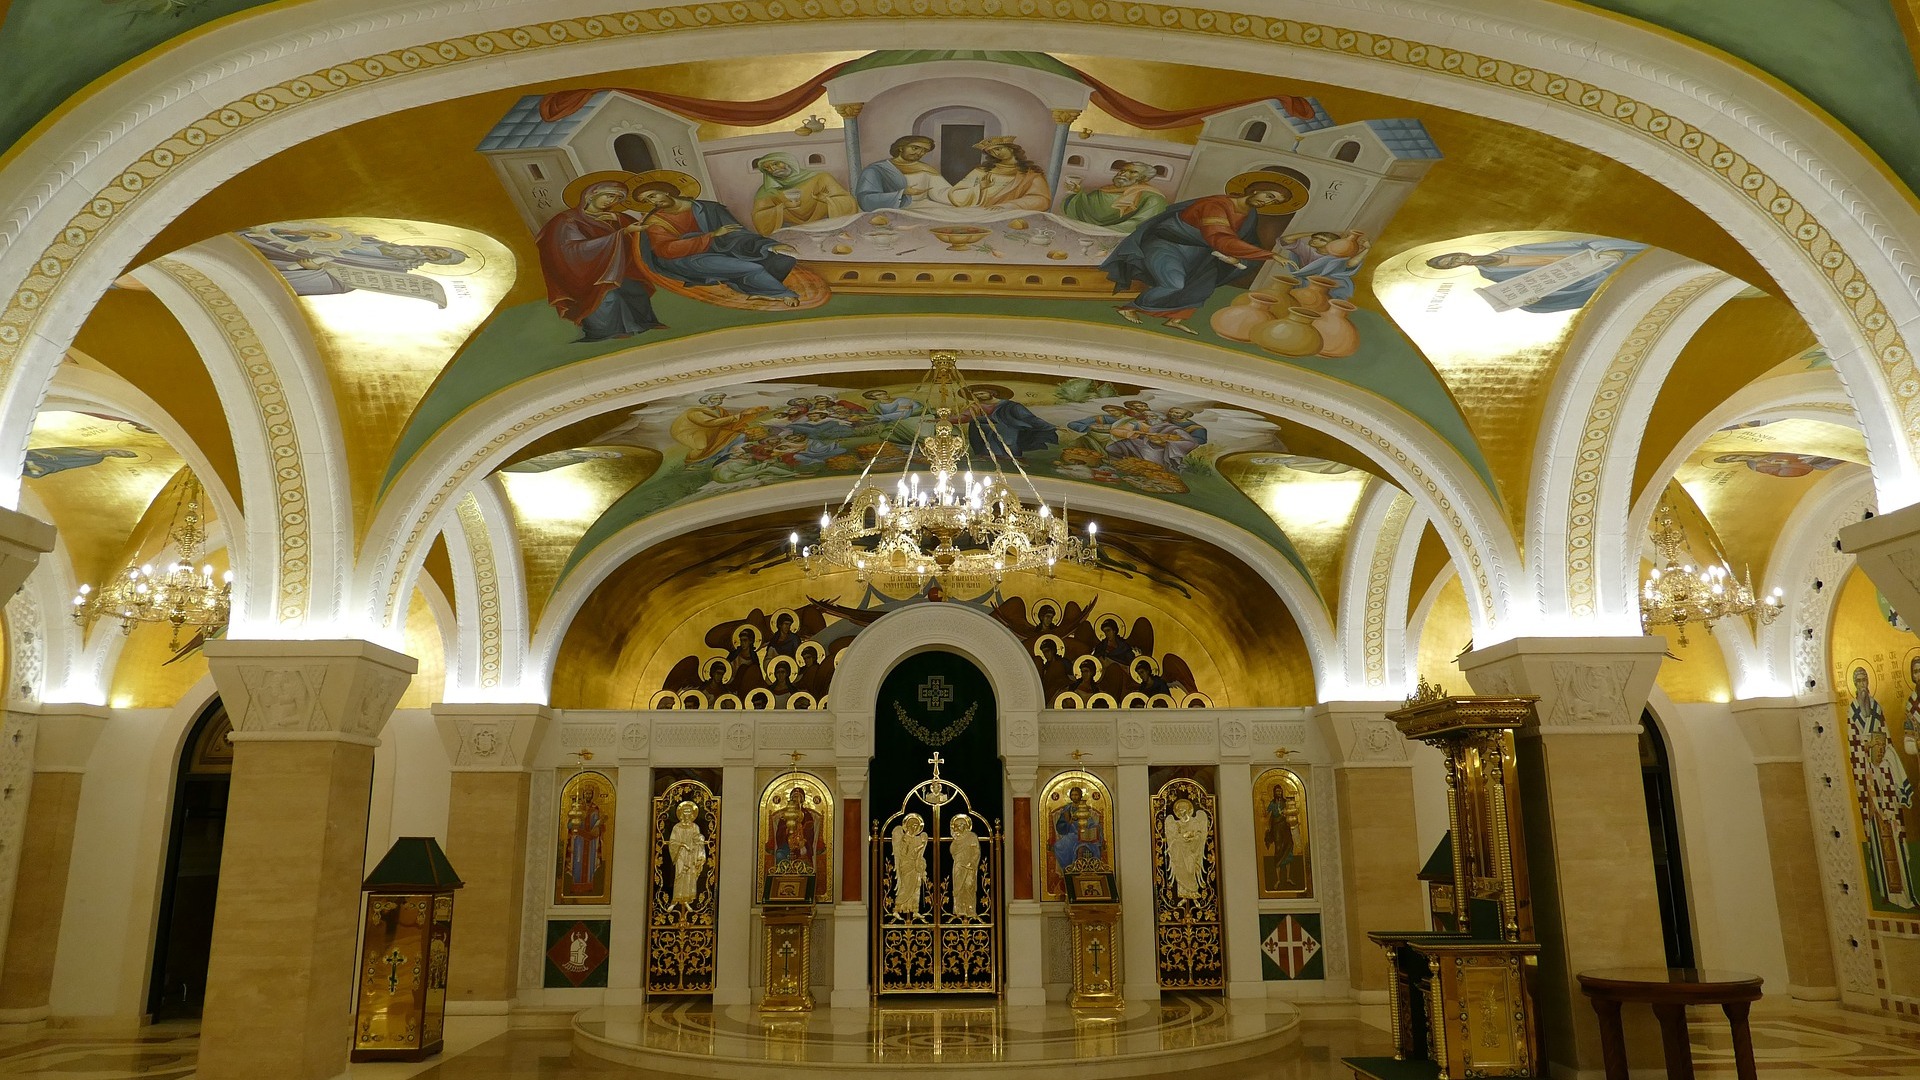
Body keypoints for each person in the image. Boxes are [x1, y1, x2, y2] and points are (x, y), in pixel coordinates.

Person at [1100, 171, 1300, 335]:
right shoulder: (1216, 205)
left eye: (1274, 202)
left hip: (1200, 252)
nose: (1268, 202)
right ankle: (1131, 307)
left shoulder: (1250, 215)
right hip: (1169, 244)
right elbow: (1219, 237)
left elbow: (1247, 240)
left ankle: (1175, 319)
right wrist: (1270, 255)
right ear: (1256, 190)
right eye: (1269, 196)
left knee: (1203, 283)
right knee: (1174, 283)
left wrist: (1237, 258)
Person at [630, 171, 802, 306]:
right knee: (751, 267)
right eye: (646, 200)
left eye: (652, 196)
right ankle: (782, 293)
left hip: (720, 248)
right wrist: (711, 235)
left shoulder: (709, 208)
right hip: (683, 258)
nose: (652, 202)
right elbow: (666, 250)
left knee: (783, 260)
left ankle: (755, 290)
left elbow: (737, 233)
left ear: (665, 191)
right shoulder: (655, 222)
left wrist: (769, 246)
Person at [531, 175, 665, 341]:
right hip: (583, 276)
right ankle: (605, 332)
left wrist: (619, 220)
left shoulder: (613, 217)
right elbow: (572, 251)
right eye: (609, 195)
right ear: (591, 195)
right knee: (609, 296)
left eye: (616, 198)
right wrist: (621, 233)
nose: (611, 201)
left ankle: (645, 323)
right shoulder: (566, 220)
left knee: (635, 288)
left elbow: (637, 233)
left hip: (613, 270)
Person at [1425, 238, 1646, 313]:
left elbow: (1571, 245)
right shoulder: (1492, 274)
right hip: (1588, 278)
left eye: (1454, 257)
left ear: (1461, 253)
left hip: (1600, 258)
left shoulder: (1513, 249)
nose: (1458, 261)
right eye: (1452, 265)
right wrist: (1533, 301)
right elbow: (1528, 292)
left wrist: (1601, 249)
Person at [1850, 666, 1917, 908]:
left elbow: (1887, 737)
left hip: (1886, 780)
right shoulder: (1852, 710)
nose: (1863, 684)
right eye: (1858, 680)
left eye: (1865, 679)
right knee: (1878, 837)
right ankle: (1886, 891)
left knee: (1896, 833)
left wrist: (1883, 751)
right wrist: (1866, 751)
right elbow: (1853, 746)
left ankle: (1906, 893)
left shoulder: (1876, 707)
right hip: (1868, 781)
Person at [749, 152, 856, 233]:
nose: (772, 169)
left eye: (776, 163)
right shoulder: (766, 191)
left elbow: (848, 203)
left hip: (826, 227)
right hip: (791, 231)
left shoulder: (821, 178)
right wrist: (783, 207)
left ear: (788, 162)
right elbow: (759, 218)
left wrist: (826, 200)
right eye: (767, 168)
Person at [947, 136, 1051, 212]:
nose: (996, 153)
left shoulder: (1031, 174)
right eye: (991, 152)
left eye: (998, 149)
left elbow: (1041, 200)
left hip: (1009, 215)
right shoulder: (982, 171)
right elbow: (955, 195)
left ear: (1011, 148)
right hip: (979, 213)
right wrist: (979, 188)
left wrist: (1008, 206)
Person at [1063, 161, 1170, 233]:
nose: (1123, 174)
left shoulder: (1154, 199)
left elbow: (1141, 225)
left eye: (1132, 172)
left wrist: (1098, 231)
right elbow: (1083, 209)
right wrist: (1075, 193)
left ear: (1144, 178)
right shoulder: (1103, 191)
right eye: (1122, 170)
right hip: (1086, 233)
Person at [855, 136, 952, 211]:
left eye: (925, 151)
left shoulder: (926, 169)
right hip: (894, 210)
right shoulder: (876, 170)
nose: (920, 153)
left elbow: (942, 192)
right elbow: (866, 200)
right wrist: (903, 193)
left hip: (925, 208)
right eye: (915, 148)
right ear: (901, 148)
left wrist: (959, 192)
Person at [960, 385, 1058, 458]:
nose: (979, 396)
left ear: (992, 393)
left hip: (1008, 429)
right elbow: (964, 417)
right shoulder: (975, 406)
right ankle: (984, 454)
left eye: (982, 393)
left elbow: (1029, 418)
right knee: (975, 423)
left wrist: (1050, 426)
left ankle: (1010, 456)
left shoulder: (1011, 406)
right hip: (986, 429)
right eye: (976, 395)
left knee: (1001, 428)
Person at [1052, 786, 1105, 880]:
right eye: (1072, 795)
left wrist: (1095, 828)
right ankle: (1068, 871)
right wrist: (1069, 822)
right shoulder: (1067, 809)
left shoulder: (1085, 808)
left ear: (1080, 795)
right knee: (1058, 846)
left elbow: (1091, 822)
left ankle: (1080, 873)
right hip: (1071, 834)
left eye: (1076, 795)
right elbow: (1060, 826)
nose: (1074, 797)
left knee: (1082, 849)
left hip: (1084, 835)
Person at [1163, 797, 1210, 900]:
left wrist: (1192, 838)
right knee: (1181, 870)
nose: (1181, 812)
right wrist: (1180, 839)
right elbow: (1174, 839)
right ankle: (1183, 894)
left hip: (1191, 852)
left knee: (1190, 870)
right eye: (1179, 810)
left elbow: (1199, 837)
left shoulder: (1194, 822)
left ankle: (1193, 892)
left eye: (1183, 809)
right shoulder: (1177, 824)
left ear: (1188, 810)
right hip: (1180, 853)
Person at [765, 784, 819, 873]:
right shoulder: (785, 814)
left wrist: (804, 841)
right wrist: (787, 832)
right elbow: (780, 831)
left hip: (801, 844)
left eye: (798, 797)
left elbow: (809, 830)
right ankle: (783, 876)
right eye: (794, 797)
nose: (796, 799)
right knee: (780, 855)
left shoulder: (807, 815)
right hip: (786, 844)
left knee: (804, 863)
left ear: (802, 799)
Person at [563, 788, 607, 895]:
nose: (588, 795)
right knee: (577, 862)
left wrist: (599, 825)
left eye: (590, 793)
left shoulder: (596, 809)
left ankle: (589, 886)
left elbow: (600, 826)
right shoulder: (577, 808)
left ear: (592, 795)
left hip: (591, 841)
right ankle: (575, 886)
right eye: (586, 793)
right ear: (583, 794)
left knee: (590, 863)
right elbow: (569, 825)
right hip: (579, 841)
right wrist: (573, 824)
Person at [668, 800, 708, 904]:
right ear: (681, 813)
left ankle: (687, 900)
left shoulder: (695, 827)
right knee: (680, 875)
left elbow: (697, 840)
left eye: (689, 811)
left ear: (692, 814)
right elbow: (672, 842)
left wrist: (700, 839)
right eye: (685, 811)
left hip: (691, 854)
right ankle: (676, 899)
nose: (687, 814)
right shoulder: (677, 827)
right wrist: (682, 844)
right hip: (680, 854)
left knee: (690, 875)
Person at [891, 813, 929, 915]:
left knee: (916, 886)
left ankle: (914, 910)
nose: (915, 828)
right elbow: (904, 853)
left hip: (915, 866)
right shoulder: (904, 838)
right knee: (906, 887)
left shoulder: (917, 838)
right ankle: (897, 909)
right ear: (908, 826)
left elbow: (919, 855)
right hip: (906, 865)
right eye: (913, 826)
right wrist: (918, 848)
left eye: (917, 826)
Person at [1264, 780, 1298, 892]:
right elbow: (1266, 814)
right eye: (1277, 791)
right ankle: (1278, 879)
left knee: (1288, 848)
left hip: (1285, 828)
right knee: (1278, 850)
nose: (1278, 793)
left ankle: (1288, 878)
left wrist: (1288, 812)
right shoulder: (1272, 803)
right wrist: (1263, 804)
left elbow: (1292, 812)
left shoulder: (1285, 802)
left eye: (1280, 791)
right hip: (1277, 829)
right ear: (1274, 792)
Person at [950, 814, 982, 917]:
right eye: (956, 825)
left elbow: (976, 851)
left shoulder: (972, 836)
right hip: (959, 865)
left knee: (969, 885)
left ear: (965, 825)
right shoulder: (957, 837)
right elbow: (952, 851)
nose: (957, 827)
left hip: (969, 865)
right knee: (958, 886)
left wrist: (972, 861)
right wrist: (956, 840)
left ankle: (970, 908)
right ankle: (959, 909)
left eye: (960, 825)